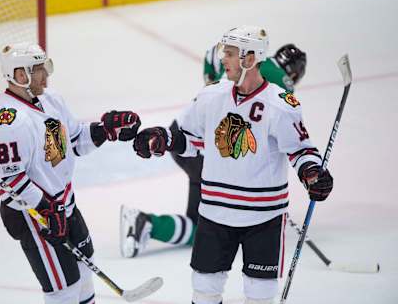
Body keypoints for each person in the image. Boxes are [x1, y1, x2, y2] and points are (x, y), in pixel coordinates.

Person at [129, 26, 333, 304]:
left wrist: (311, 172)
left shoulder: (280, 105)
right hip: (214, 214)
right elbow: (190, 139)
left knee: (260, 295)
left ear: (250, 59)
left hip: (264, 218)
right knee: (204, 289)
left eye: (229, 53)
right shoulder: (211, 96)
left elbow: (300, 150)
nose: (222, 58)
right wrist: (162, 137)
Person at [119, 43, 307, 257]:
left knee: (199, 226)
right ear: (293, 72)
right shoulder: (279, 83)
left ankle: (145, 223)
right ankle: (147, 223)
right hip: (201, 148)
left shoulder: (249, 67)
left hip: (182, 138)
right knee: (219, 223)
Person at [0, 42, 141, 304]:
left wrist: (106, 130)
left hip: (64, 204)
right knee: (63, 290)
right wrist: (46, 209)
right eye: (38, 70)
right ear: (20, 74)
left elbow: (75, 140)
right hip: (35, 215)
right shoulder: (9, 120)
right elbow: (11, 181)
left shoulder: (50, 99)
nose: (46, 76)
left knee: (83, 275)